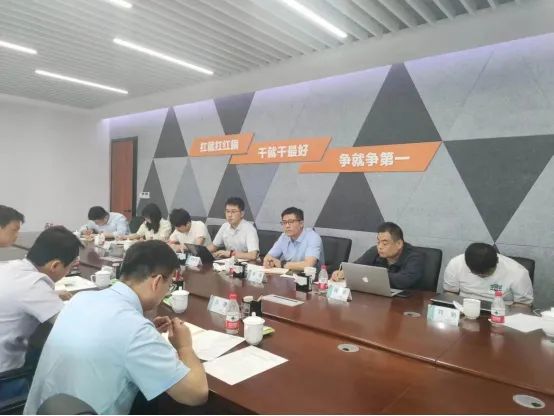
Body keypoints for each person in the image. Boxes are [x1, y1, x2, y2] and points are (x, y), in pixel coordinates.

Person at [24, 240, 209, 414]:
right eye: (169, 285)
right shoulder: (136, 330)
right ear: (157, 282)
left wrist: (148, 332)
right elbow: (196, 394)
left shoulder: (81, 298)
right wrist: (184, 347)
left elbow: (109, 336)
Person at [0, 226, 82, 401]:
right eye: (69, 268)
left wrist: (51, 295)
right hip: (5, 377)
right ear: (55, 266)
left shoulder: (10, 266)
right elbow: (73, 326)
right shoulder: (34, 286)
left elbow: (18, 294)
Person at [331, 222, 424, 290]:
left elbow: (404, 280)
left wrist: (373, 275)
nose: (380, 247)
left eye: (385, 243)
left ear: (399, 244)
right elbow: (356, 266)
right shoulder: (375, 251)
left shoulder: (415, 256)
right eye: (378, 242)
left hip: (408, 302)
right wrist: (343, 272)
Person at [443, 243, 533, 305]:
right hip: (464, 308)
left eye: (486, 273)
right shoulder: (456, 264)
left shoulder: (518, 272)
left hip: (502, 313)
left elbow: (523, 305)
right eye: (477, 273)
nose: (482, 276)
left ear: (497, 261)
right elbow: (450, 293)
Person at [263, 207, 323, 271]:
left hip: (308, 276)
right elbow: (268, 257)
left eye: (291, 222)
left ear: (301, 224)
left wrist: (282, 264)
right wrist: (269, 262)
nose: (287, 226)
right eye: (284, 222)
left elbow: (308, 265)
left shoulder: (313, 237)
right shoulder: (284, 236)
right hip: (287, 274)